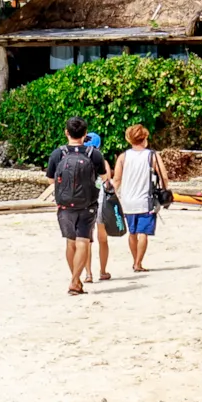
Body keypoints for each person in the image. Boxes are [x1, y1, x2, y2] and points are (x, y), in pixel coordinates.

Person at [49, 119, 109, 296]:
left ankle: (75, 280)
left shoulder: (58, 153)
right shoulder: (94, 154)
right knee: (83, 241)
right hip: (87, 204)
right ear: (85, 134)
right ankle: (75, 281)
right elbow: (104, 178)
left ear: (66, 132)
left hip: (65, 205)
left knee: (70, 242)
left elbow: (51, 180)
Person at [110, 124, 161, 276]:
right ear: (144, 138)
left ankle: (134, 260)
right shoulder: (152, 156)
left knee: (132, 233)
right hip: (145, 201)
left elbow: (117, 179)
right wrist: (166, 190)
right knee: (143, 232)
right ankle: (138, 263)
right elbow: (163, 176)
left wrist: (112, 196)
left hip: (127, 201)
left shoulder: (123, 157)